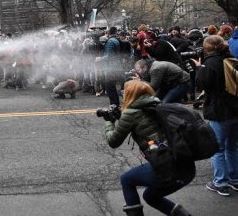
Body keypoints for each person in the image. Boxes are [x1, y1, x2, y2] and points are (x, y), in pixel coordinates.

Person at [104, 80, 194, 216]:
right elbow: (144, 119)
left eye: (124, 92)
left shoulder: (131, 113)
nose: (122, 94)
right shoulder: (158, 105)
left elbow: (113, 141)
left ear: (130, 94)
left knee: (126, 179)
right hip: (187, 168)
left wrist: (109, 122)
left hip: (169, 169)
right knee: (150, 197)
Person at [194, 35, 238, 196]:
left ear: (208, 48)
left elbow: (201, 84)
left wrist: (199, 68)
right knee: (233, 147)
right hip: (235, 108)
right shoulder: (231, 59)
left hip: (219, 110)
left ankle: (220, 182)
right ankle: (235, 179)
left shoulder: (211, 63)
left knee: (217, 148)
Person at [96, 26, 122, 106]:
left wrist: (99, 59)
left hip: (112, 68)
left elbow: (109, 56)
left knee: (109, 87)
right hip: (116, 66)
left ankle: (114, 105)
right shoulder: (116, 40)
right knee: (112, 87)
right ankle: (116, 105)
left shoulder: (110, 41)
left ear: (108, 33)